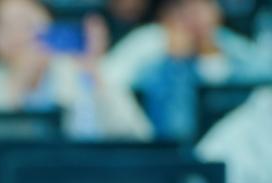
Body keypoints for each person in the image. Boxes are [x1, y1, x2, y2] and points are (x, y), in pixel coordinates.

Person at [0, 0, 152, 139]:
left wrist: (96, 76)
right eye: (5, 25)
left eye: (26, 22)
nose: (18, 33)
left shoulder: (83, 71)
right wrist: (16, 88)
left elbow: (138, 135)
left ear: (49, 25)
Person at [102, 0, 272, 139]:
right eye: (187, 8)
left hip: (233, 143)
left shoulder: (228, 45)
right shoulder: (156, 47)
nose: (197, 16)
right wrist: (175, 63)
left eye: (205, 5)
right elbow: (109, 75)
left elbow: (262, 77)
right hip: (175, 148)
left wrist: (214, 56)